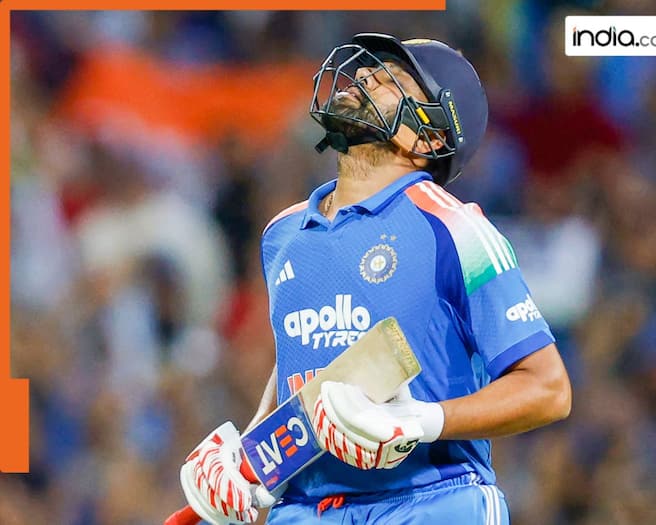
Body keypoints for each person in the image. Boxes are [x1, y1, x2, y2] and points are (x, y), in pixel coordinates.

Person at [178, 33, 572, 524]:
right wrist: (250, 461)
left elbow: (548, 389)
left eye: (392, 78)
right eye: (368, 70)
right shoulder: (283, 234)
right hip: (306, 510)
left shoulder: (454, 227)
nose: (364, 75)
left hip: (435, 501)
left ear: (429, 137)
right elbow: (303, 364)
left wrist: (422, 421)